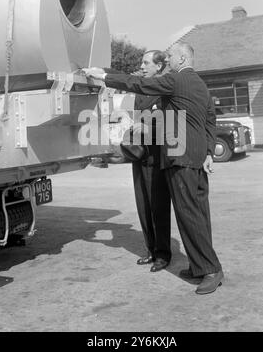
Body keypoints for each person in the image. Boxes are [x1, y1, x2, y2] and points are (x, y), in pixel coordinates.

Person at [83, 42, 224, 295]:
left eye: (170, 57)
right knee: (199, 215)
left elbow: (138, 84)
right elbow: (210, 120)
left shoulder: (176, 79)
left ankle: (211, 270)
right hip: (196, 158)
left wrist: (103, 76)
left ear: (182, 59)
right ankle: (200, 266)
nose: (167, 60)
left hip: (180, 158)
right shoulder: (200, 84)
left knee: (189, 216)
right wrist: (209, 152)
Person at [130, 50, 171, 272]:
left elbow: (171, 124)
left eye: (146, 63)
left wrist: (148, 128)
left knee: (158, 207)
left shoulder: (165, 90)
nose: (142, 66)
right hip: (140, 157)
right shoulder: (141, 92)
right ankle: (151, 249)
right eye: (142, 63)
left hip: (157, 158)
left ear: (159, 66)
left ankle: (163, 254)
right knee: (143, 206)